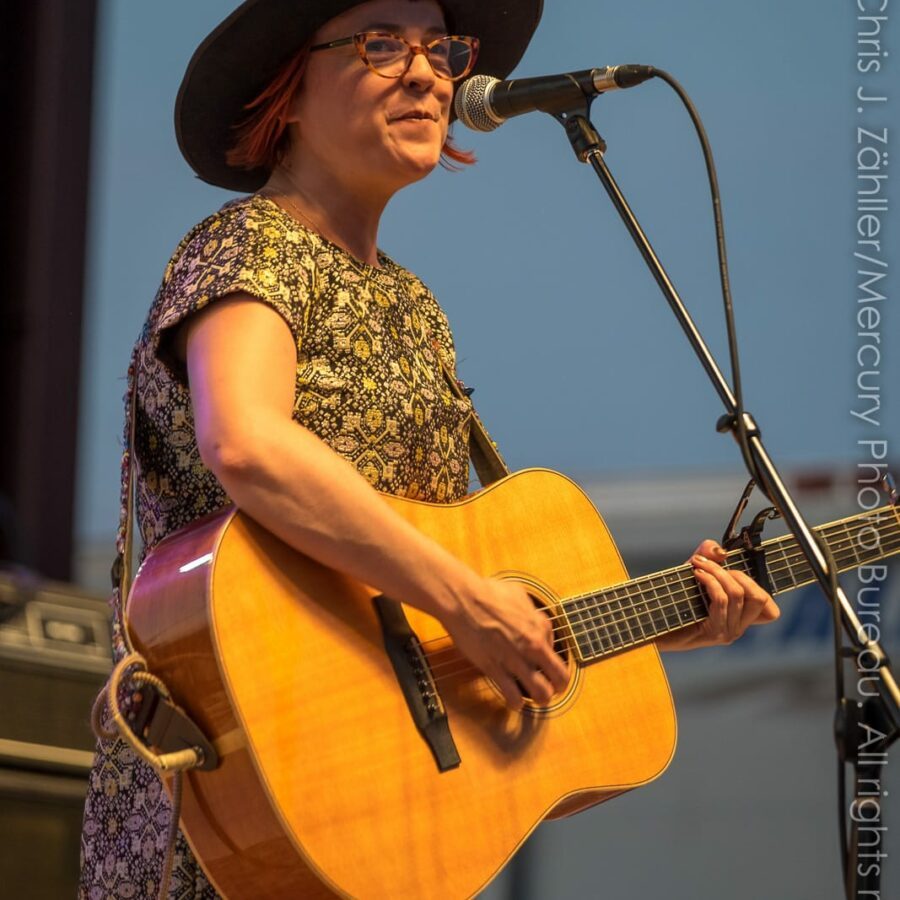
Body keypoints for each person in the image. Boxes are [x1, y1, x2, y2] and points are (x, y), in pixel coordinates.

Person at [78, 1, 781, 897]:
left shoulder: (414, 309)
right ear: (284, 95)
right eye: (381, 45)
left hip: (378, 811)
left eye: (442, 50)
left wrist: (643, 625)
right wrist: (469, 604)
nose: (427, 74)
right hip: (227, 782)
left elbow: (429, 598)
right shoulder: (247, 247)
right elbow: (247, 444)